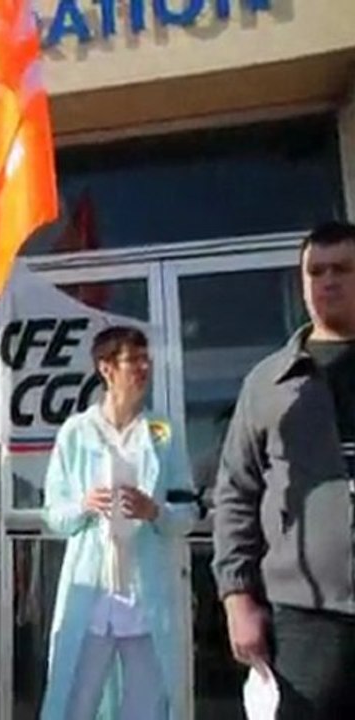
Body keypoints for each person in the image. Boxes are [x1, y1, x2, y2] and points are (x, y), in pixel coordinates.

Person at [213, 221, 355, 717]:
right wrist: (237, 598)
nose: (328, 281)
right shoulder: (269, 382)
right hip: (306, 619)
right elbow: (235, 494)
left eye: (342, 269)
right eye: (316, 271)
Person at [40, 326, 197, 720]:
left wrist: (155, 511)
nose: (143, 368)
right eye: (133, 360)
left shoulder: (162, 432)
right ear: (106, 368)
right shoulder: (76, 433)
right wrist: (83, 505)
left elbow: (189, 512)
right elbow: (53, 515)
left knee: (146, 708)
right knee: (75, 703)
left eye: (147, 360)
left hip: (145, 600)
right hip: (91, 599)